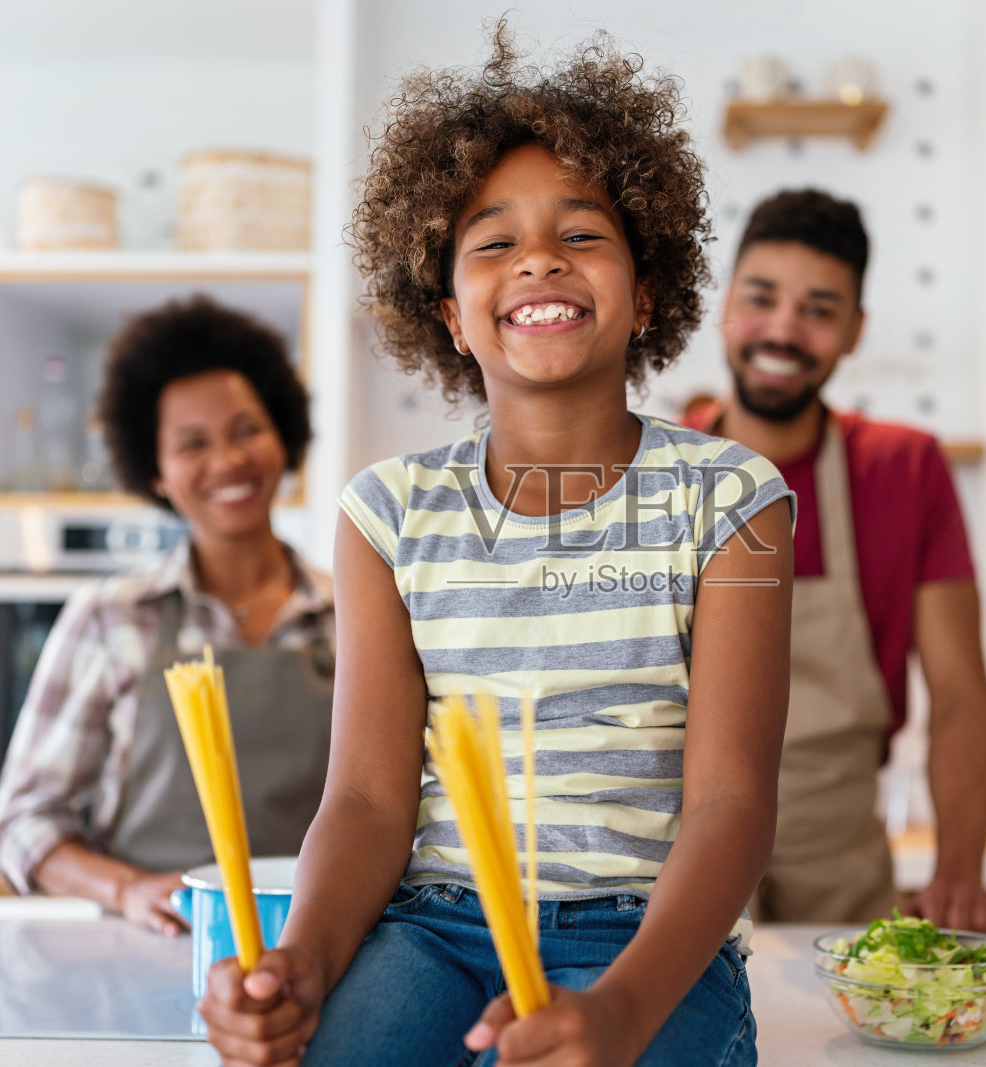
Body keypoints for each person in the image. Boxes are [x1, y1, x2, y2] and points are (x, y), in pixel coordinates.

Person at [196, 26, 794, 1067]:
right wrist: (304, 962)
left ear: (647, 294)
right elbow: (368, 799)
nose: (539, 259)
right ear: (452, 317)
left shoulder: (733, 497)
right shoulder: (386, 514)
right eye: (492, 242)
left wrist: (623, 1009)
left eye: (583, 233)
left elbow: (730, 800)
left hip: (645, 935)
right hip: (434, 927)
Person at [686, 189, 986, 933]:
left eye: (819, 310)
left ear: (855, 331)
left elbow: (960, 693)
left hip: (839, 848)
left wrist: (960, 871)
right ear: (726, 305)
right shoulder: (656, 473)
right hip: (681, 844)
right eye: (761, 298)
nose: (783, 329)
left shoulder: (905, 469)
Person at [0, 295, 335, 936]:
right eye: (191, 443)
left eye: (247, 430)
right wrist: (126, 890)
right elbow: (21, 823)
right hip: (145, 945)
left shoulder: (352, 616)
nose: (228, 461)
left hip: (315, 946)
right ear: (155, 473)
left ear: (284, 437)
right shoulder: (109, 619)